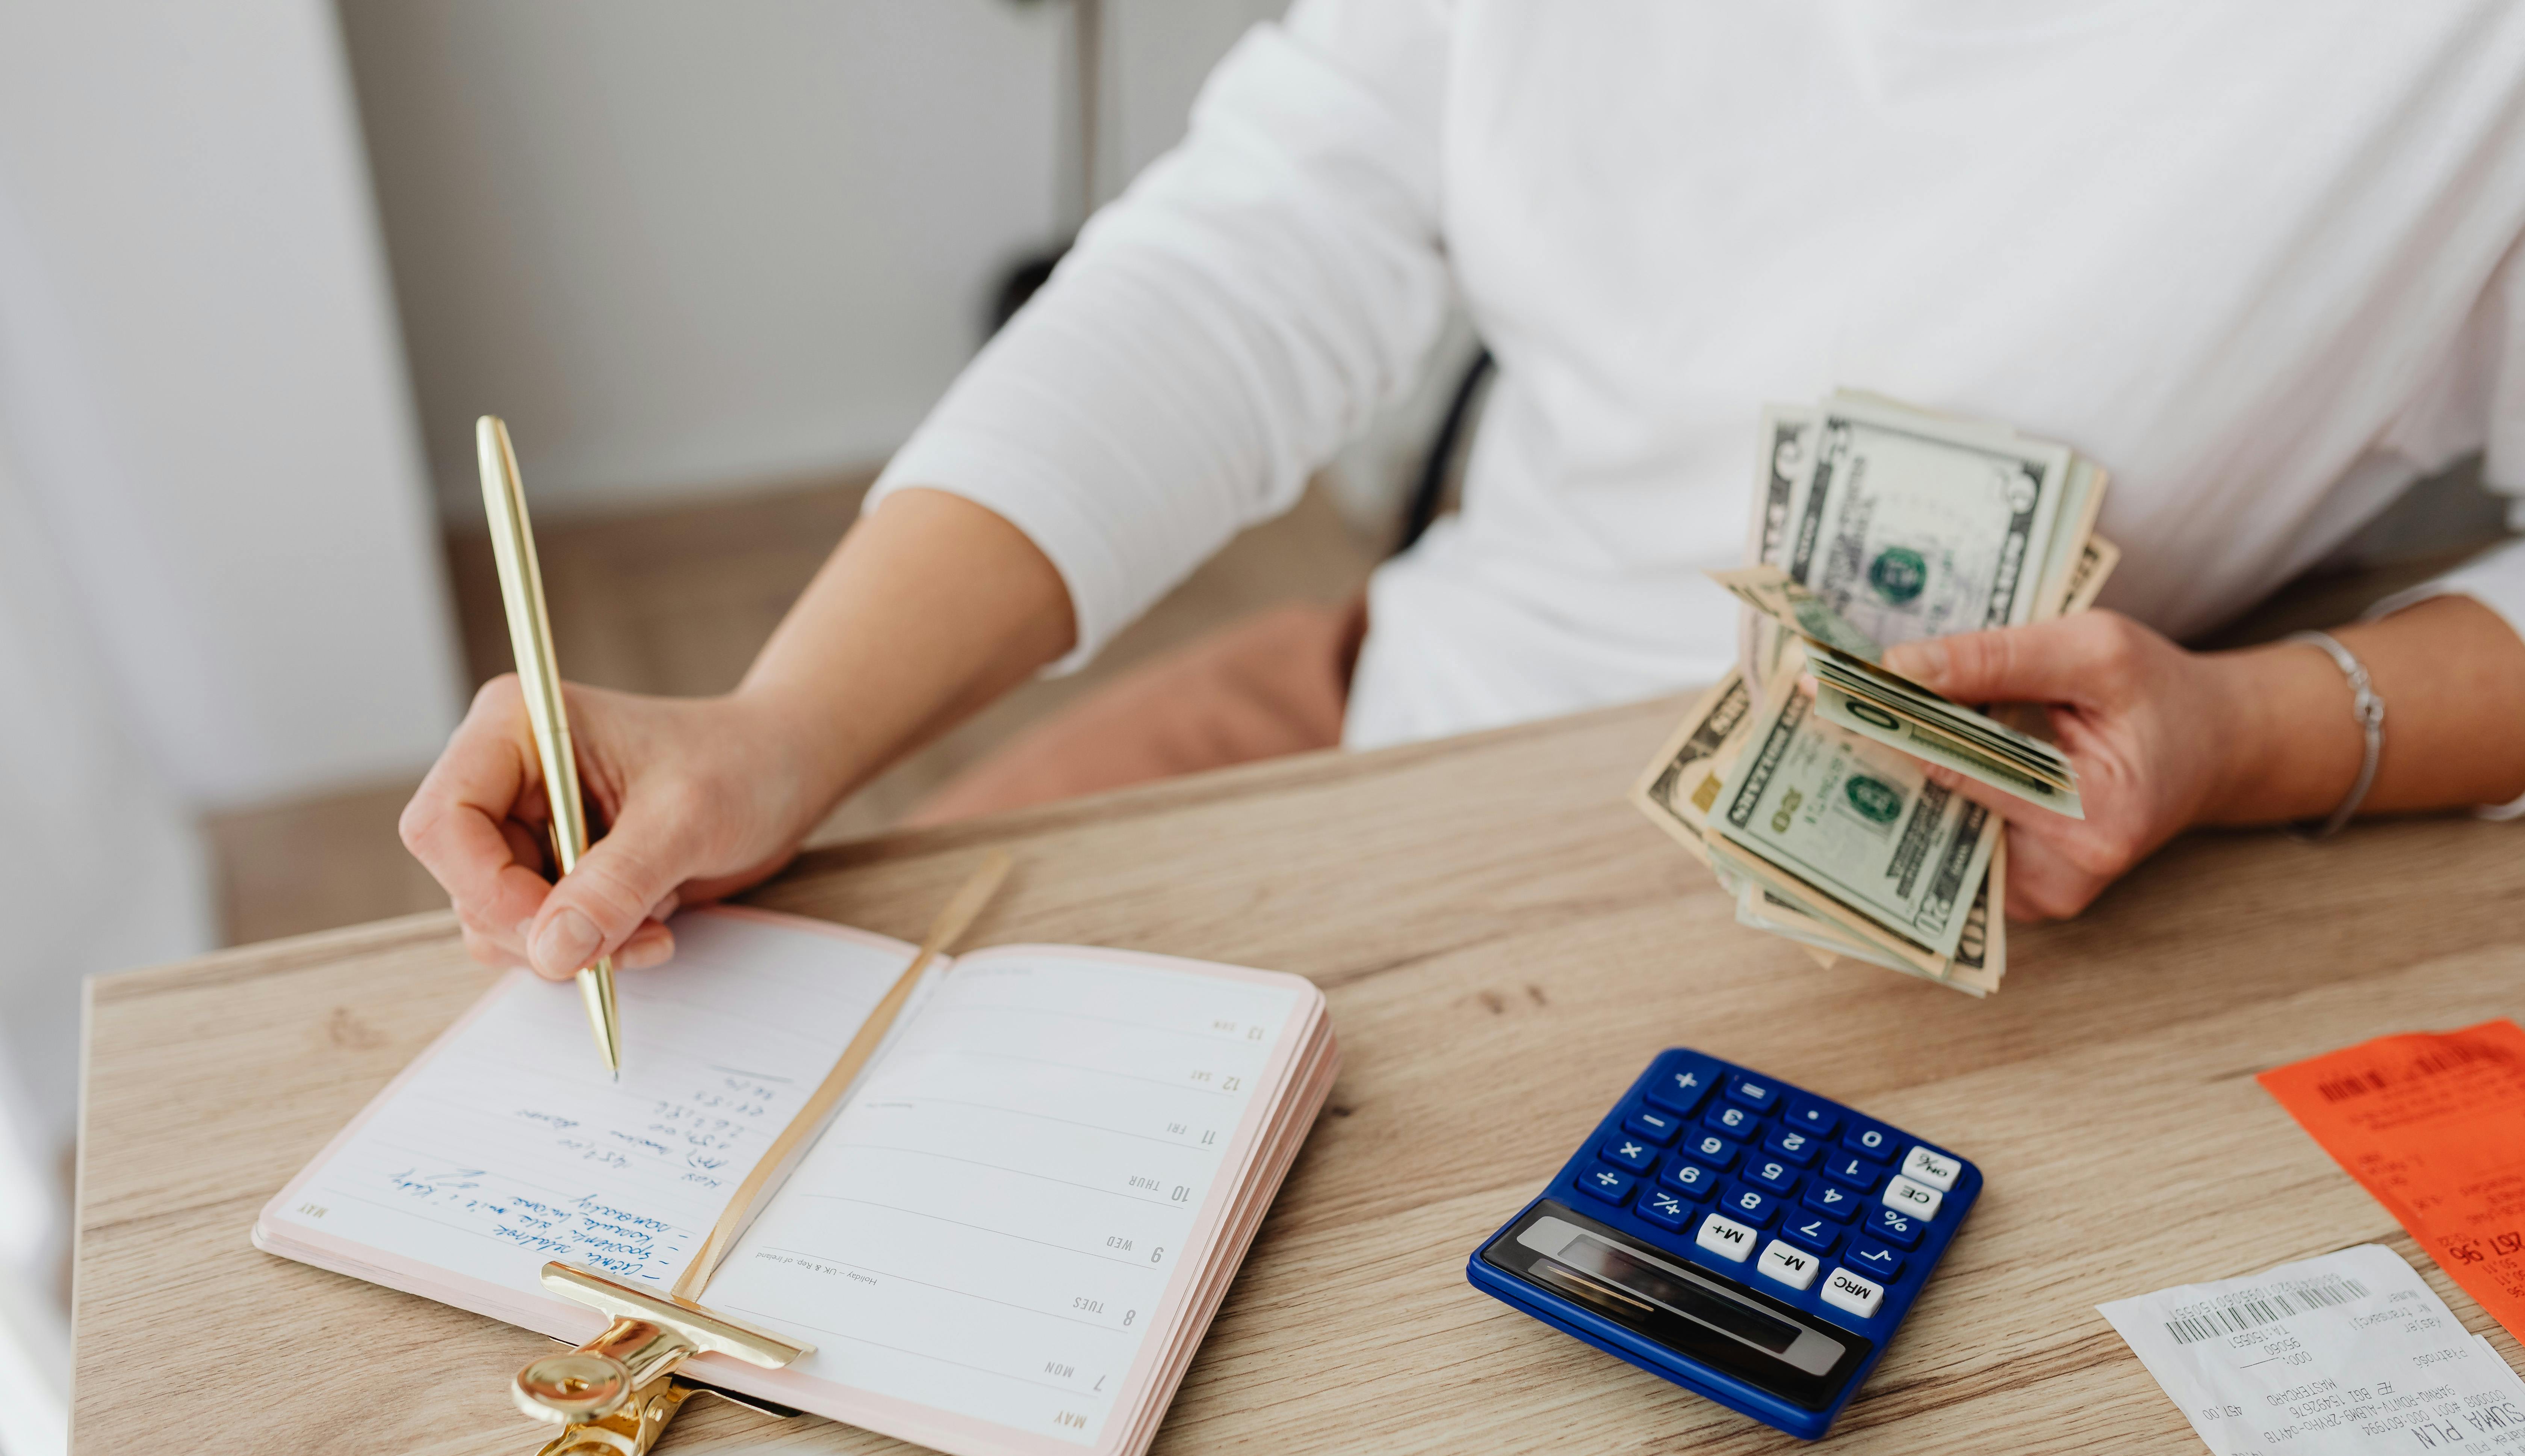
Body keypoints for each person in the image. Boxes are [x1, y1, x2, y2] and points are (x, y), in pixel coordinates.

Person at [402, 1, 2525, 982]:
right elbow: (1248, 258)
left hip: (1927, 932)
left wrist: (2251, 731)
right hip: (1379, 714)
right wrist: (779, 726)